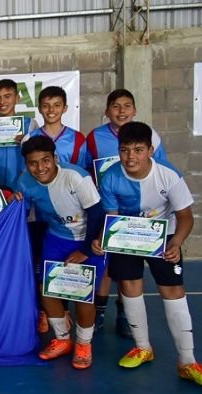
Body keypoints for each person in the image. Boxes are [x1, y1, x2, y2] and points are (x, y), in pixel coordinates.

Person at [92, 122, 202, 386]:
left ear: (150, 150)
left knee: (173, 290)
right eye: (124, 150)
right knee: (129, 286)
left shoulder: (169, 175)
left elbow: (185, 216)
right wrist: (102, 239)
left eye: (138, 150)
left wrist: (176, 243)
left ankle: (188, 361)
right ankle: (143, 347)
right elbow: (111, 217)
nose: (130, 157)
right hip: (126, 234)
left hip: (164, 236)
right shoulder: (110, 177)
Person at [83, 89, 169, 337]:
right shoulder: (95, 137)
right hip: (107, 207)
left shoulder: (150, 135)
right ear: (107, 111)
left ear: (134, 110)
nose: (121, 111)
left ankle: (124, 312)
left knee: (127, 266)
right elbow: (86, 168)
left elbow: (161, 168)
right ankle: (99, 311)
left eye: (127, 106)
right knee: (104, 260)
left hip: (139, 213)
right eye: (116, 106)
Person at [17, 136, 106, 369]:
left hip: (88, 239)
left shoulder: (76, 177)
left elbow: (97, 213)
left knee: (82, 293)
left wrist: (86, 250)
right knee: (46, 288)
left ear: (55, 158)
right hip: (56, 238)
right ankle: (63, 339)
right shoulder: (25, 181)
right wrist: (14, 201)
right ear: (26, 164)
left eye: (45, 160)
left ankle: (84, 344)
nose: (40, 168)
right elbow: (20, 215)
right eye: (33, 163)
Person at [0, 78, 38, 188]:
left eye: (7, 96)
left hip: (22, 182)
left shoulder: (30, 124)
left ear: (17, 98)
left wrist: (28, 142)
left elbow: (38, 153)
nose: (2, 102)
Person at [24, 86, 88, 169]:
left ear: (65, 108)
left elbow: (82, 170)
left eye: (57, 105)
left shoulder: (78, 138)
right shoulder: (29, 138)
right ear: (39, 109)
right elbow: (27, 169)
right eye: (45, 106)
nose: (51, 110)